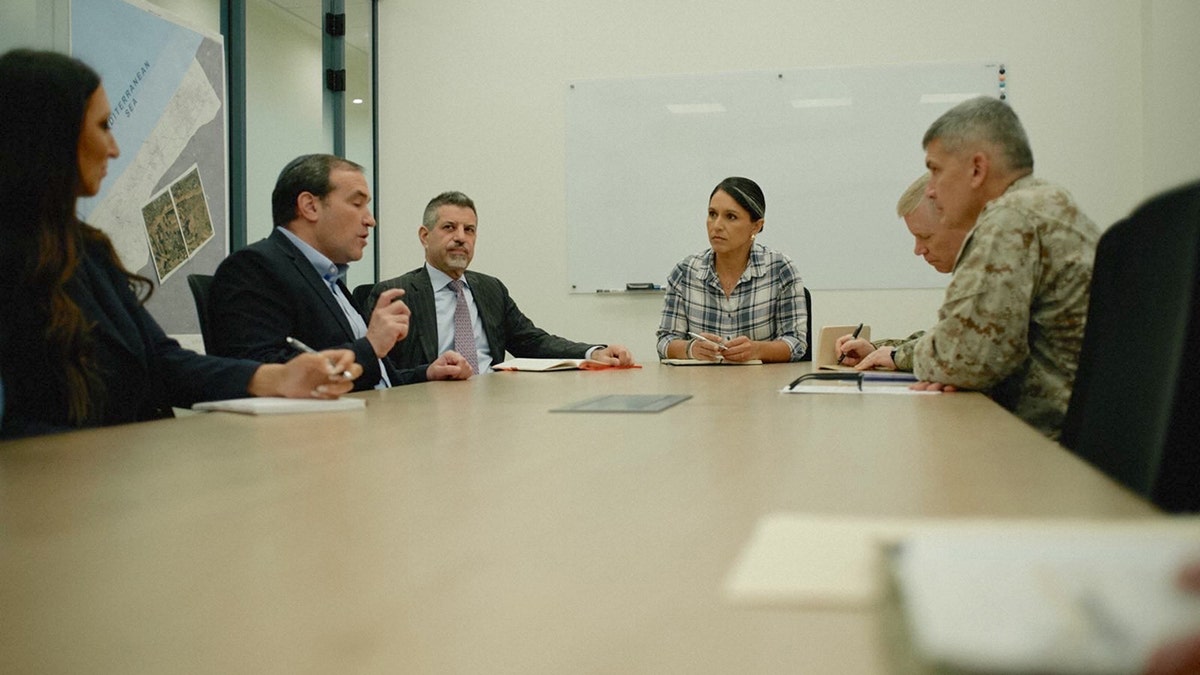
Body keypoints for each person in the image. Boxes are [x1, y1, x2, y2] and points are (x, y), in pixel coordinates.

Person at [0, 49, 362, 440]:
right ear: (51, 134)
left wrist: (279, 378)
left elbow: (163, 362)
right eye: (103, 125)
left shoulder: (88, 250)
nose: (114, 148)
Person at [838, 97, 1100, 438]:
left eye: (936, 170)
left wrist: (943, 364)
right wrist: (947, 361)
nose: (931, 188)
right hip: (1067, 428)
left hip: (1039, 443)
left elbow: (965, 357)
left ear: (977, 169)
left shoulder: (1010, 217)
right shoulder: (1047, 203)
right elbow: (966, 350)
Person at [207, 156, 472, 389]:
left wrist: (427, 373)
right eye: (357, 204)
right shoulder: (254, 268)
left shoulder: (329, 280)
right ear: (310, 206)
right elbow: (262, 377)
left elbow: (378, 379)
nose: (370, 220)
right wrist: (370, 346)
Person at [366, 191, 634, 373]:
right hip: (426, 410)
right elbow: (382, 372)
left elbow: (533, 342)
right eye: (449, 227)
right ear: (425, 236)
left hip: (492, 404)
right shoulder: (395, 295)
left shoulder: (490, 289)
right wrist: (430, 373)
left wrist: (592, 353)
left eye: (469, 230)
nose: (461, 237)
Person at [656, 177, 809, 363]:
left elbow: (797, 342)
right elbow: (665, 341)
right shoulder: (684, 273)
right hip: (701, 385)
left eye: (731, 217)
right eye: (712, 214)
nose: (717, 225)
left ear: (756, 226)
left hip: (762, 385)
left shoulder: (780, 270)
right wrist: (691, 349)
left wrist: (758, 350)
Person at [835, 172, 968, 368]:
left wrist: (897, 356)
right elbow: (942, 337)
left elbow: (960, 348)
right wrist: (877, 350)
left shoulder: (995, 268)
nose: (918, 250)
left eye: (925, 236)